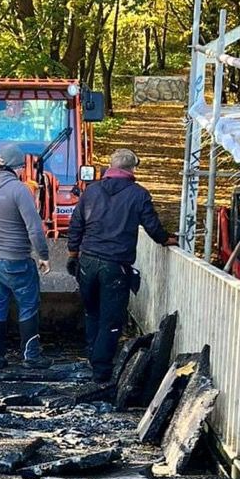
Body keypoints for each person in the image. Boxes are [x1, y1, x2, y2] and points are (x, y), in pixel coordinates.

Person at [66, 146, 170, 384]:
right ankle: (101, 371)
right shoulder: (138, 194)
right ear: (132, 169)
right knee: (111, 319)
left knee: (92, 312)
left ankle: (93, 356)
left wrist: (73, 254)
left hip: (87, 261)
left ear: (111, 167)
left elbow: (76, 225)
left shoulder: (91, 191)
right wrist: (167, 239)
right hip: (115, 265)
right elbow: (153, 228)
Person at [0, 141, 51, 368]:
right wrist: (43, 255)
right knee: (28, 305)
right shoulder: (19, 190)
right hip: (17, 260)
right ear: (17, 168)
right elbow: (34, 228)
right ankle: (31, 357)